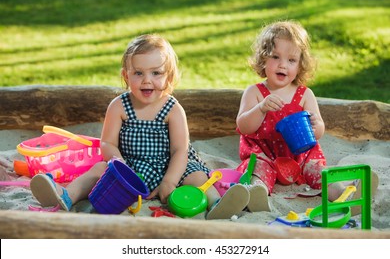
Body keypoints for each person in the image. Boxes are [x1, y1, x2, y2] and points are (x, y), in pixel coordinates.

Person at [30, 34, 249, 220]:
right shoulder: (119, 106)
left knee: (198, 178)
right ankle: (67, 195)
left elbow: (180, 150)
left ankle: (217, 204)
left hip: (171, 166)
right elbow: (107, 143)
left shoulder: (173, 108)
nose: (147, 80)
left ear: (168, 76)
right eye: (138, 73)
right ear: (127, 76)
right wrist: (119, 165)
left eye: (156, 73)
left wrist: (169, 181)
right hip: (131, 167)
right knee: (98, 170)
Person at [236, 20, 350, 212]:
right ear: (263, 59)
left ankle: (341, 194)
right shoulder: (254, 92)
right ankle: (257, 194)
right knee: (258, 170)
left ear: (300, 65)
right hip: (266, 154)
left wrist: (316, 125)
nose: (283, 65)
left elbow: (319, 128)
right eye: (275, 57)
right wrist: (261, 108)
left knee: (318, 171)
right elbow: (244, 126)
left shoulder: (305, 94)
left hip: (300, 156)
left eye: (291, 60)